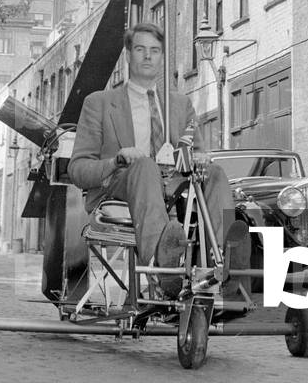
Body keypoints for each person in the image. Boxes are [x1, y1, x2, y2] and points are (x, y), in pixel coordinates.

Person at [69, 21, 241, 298]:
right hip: (120, 185)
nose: (148, 56)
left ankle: (225, 261)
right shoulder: (99, 103)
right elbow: (77, 169)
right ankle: (162, 270)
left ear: (162, 57)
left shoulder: (179, 105)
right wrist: (117, 160)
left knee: (216, 173)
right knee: (145, 165)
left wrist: (200, 158)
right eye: (140, 49)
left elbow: (194, 153)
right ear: (128, 55)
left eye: (155, 50)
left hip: (172, 186)